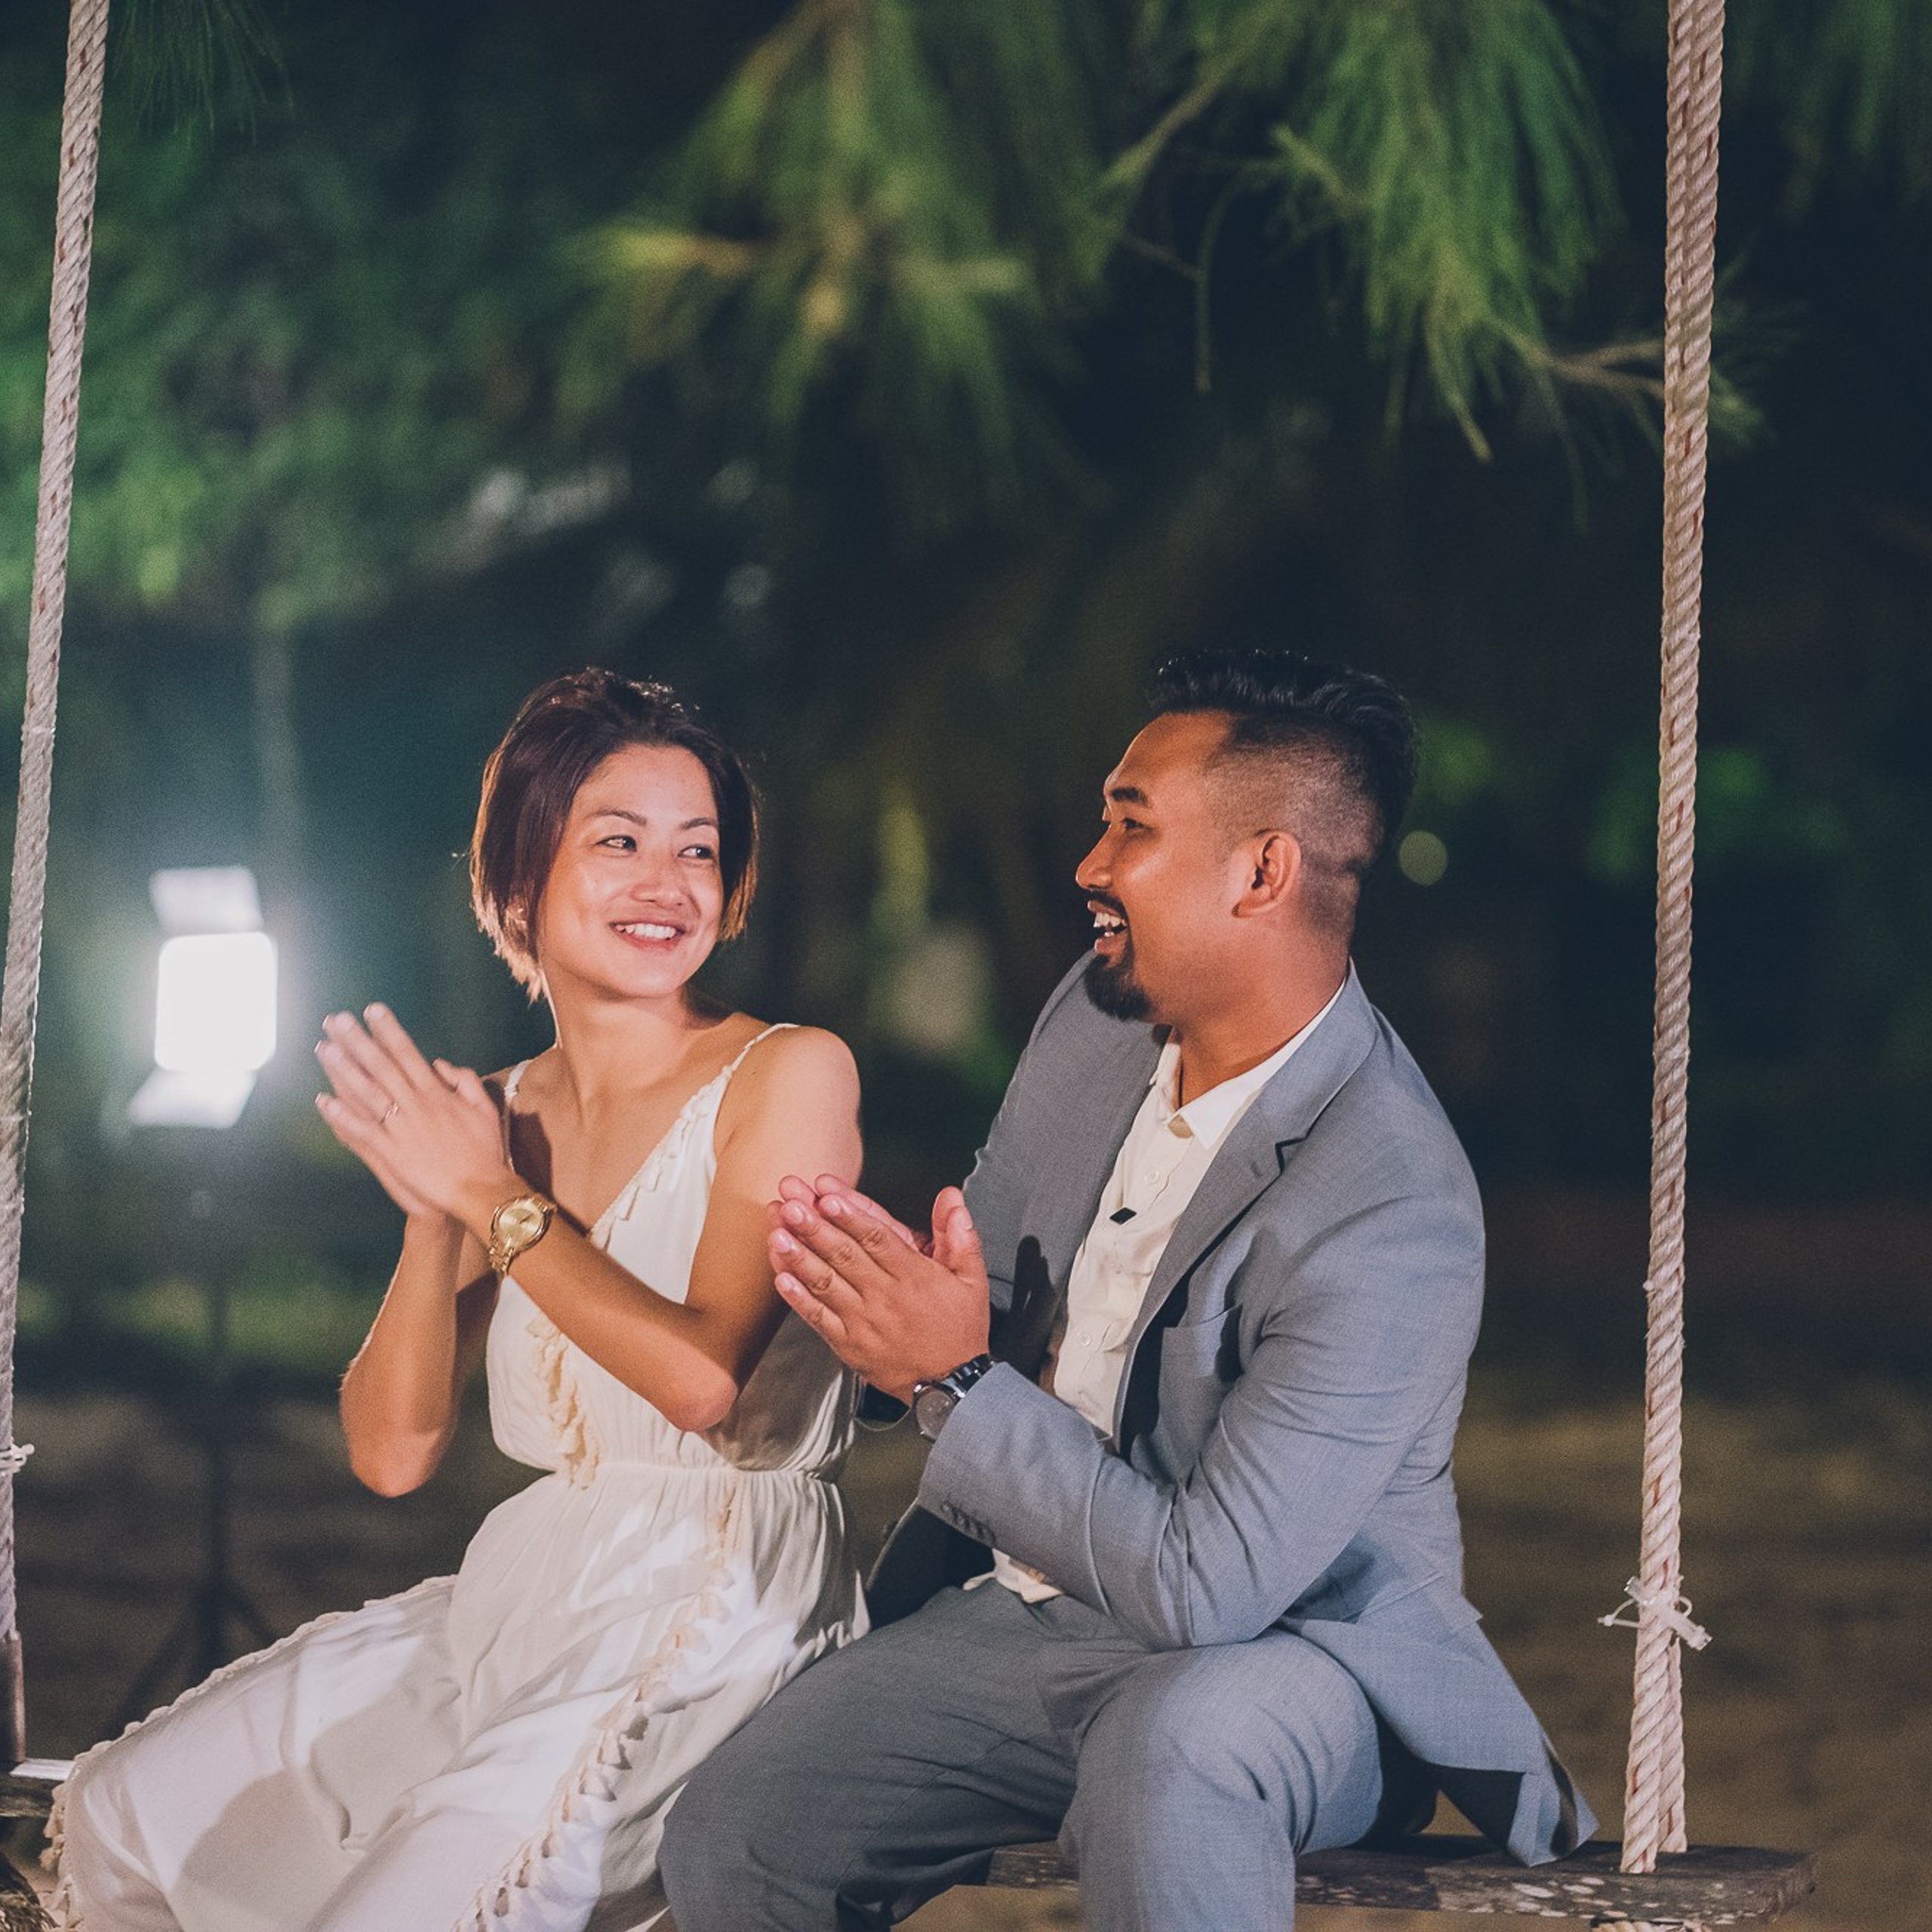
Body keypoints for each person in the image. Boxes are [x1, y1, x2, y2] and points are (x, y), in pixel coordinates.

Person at [659, 648, 1595, 1931]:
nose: (1092, 864)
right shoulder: (1099, 1021)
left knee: (1175, 1750)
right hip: (1032, 1618)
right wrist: (849, 1288)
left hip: (1294, 1664)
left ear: (1262, 872)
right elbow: (966, 1274)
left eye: (1131, 825)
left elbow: (1213, 1587)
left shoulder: (1390, 1200)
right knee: (743, 1828)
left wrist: (954, 1376)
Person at [48, 669, 866, 1932]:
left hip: (714, 1591)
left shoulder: (787, 1073)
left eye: (698, 850)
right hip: (521, 1593)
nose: (668, 882)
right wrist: (436, 1212)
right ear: (521, 877)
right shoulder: (494, 1117)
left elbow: (704, 1382)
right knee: (124, 1823)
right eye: (620, 841)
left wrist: (489, 1197)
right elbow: (391, 1453)